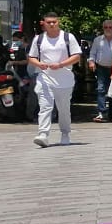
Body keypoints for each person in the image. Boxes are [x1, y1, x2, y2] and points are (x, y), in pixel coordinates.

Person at [27, 12, 81, 148]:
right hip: (44, 78)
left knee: (64, 109)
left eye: (54, 22)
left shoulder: (68, 37)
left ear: (58, 22)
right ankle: (43, 134)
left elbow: (76, 56)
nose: (51, 24)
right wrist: (39, 64)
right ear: (43, 23)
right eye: (49, 22)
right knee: (45, 106)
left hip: (65, 80)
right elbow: (31, 57)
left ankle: (65, 133)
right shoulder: (39, 39)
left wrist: (61, 64)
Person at [88, 21, 112, 122]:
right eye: (106, 27)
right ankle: (102, 112)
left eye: (110, 27)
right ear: (103, 28)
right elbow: (92, 53)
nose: (108, 29)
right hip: (101, 68)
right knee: (101, 89)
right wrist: (91, 62)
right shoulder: (98, 40)